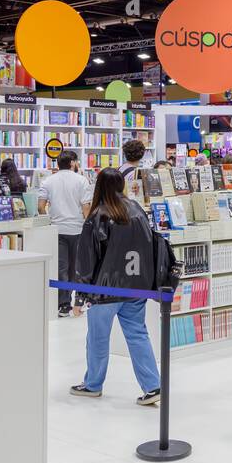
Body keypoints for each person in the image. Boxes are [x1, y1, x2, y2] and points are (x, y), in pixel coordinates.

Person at [71, 168, 161, 403]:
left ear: (99, 186)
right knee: (138, 335)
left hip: (105, 290)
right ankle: (153, 386)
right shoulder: (138, 210)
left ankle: (93, 384)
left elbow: (86, 259)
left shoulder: (98, 215)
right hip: (136, 286)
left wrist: (81, 294)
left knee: (98, 339)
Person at [39, 150, 92, 317]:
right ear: (72, 163)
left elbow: (40, 206)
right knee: (77, 268)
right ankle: (79, 302)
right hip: (77, 230)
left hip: (57, 230)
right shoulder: (82, 180)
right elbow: (86, 208)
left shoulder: (48, 181)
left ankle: (63, 305)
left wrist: (49, 219)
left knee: (61, 269)